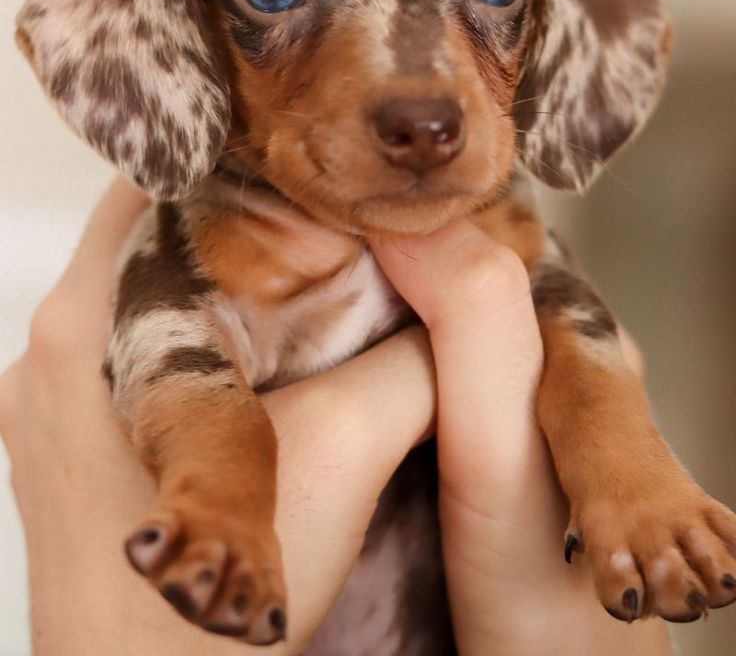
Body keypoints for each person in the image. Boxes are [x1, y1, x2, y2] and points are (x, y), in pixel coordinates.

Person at [0, 180, 671, 655]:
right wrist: (221, 498)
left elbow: (563, 318)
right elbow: (169, 339)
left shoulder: (497, 202)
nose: (418, 98)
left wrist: (630, 475)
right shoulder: (215, 208)